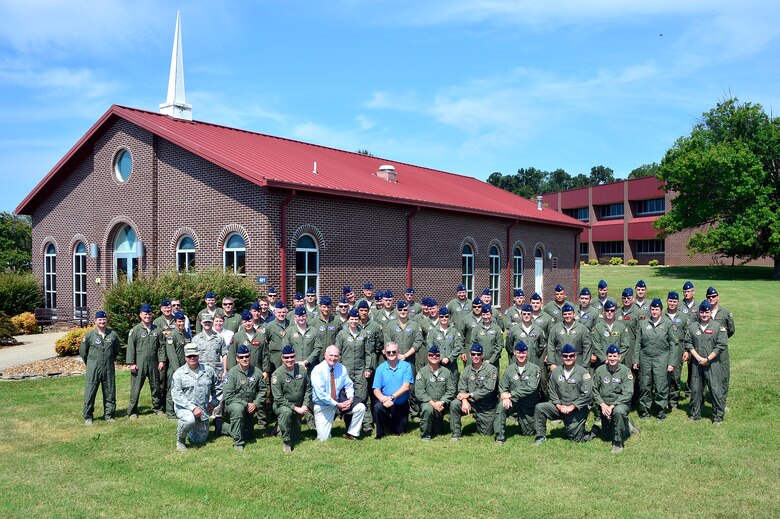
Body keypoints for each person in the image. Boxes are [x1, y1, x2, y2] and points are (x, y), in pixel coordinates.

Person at [533, 344, 593, 445]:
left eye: (571, 356)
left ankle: (594, 430)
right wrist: (558, 405)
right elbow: (551, 390)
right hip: (559, 407)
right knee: (540, 407)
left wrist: (572, 406)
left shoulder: (583, 372)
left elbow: (587, 394)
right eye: (565, 356)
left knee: (576, 439)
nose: (568, 358)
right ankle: (540, 436)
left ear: (575, 357)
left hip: (576, 409)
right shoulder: (556, 372)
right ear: (561, 357)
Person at [633, 298, 678, 421]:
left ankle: (660, 411)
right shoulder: (643, 324)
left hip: (661, 358)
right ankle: (645, 412)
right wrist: (636, 360)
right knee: (645, 385)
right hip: (645, 358)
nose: (654, 312)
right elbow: (638, 343)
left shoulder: (668, 324)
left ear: (661, 311)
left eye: (656, 309)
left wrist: (671, 363)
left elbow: (674, 344)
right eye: (652, 309)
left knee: (661, 386)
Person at [171, 344, 221, 451]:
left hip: (203, 410)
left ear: (199, 356)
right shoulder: (179, 374)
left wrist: (214, 402)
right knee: (189, 420)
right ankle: (180, 440)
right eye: (189, 356)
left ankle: (190, 428)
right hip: (184, 408)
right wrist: (192, 408)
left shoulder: (208, 371)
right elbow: (176, 394)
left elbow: (218, 387)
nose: (192, 358)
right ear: (185, 357)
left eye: (194, 355)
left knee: (199, 440)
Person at [311, 345, 367, 441]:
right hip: (323, 405)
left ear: (339, 357)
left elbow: (348, 385)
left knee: (360, 407)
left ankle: (352, 434)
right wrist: (337, 404)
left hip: (339, 401)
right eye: (331, 355)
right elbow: (321, 394)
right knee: (323, 439)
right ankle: (324, 428)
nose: (333, 358)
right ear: (325, 355)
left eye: (336, 356)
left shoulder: (342, 368)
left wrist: (350, 399)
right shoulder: (318, 370)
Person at [685, 301, 728, 424]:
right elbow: (688, 343)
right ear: (699, 312)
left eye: (707, 312)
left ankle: (718, 417)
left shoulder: (718, 327)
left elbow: (721, 345)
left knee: (715, 389)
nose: (704, 314)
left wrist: (708, 359)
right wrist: (698, 358)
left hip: (713, 364)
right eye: (702, 312)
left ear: (710, 313)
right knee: (695, 389)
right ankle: (695, 414)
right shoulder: (693, 327)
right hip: (696, 363)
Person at [591, 344, 638, 453]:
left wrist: (611, 406)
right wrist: (602, 405)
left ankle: (618, 443)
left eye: (615, 356)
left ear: (619, 357)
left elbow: (628, 393)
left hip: (620, 404)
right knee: (606, 437)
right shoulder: (600, 370)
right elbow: (594, 390)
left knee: (618, 412)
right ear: (606, 357)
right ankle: (627, 426)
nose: (612, 359)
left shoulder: (625, 371)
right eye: (610, 356)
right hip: (604, 405)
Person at [494, 341, 541, 443]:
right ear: (515, 353)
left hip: (528, 403)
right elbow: (502, 386)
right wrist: (505, 396)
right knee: (501, 406)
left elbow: (531, 387)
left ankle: (524, 422)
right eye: (519, 352)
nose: (521, 355)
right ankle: (500, 437)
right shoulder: (509, 369)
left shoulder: (535, 369)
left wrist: (511, 394)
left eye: (523, 352)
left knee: (528, 433)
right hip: (513, 401)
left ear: (527, 353)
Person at [335, 308, 373, 434]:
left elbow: (368, 353)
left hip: (360, 370)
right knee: (347, 397)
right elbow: (337, 353)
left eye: (356, 319)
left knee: (362, 397)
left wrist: (368, 368)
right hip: (346, 370)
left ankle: (366, 424)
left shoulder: (363, 334)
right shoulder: (342, 334)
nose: (354, 321)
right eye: (352, 319)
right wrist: (338, 369)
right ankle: (349, 424)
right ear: (348, 319)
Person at [450, 344, 498, 441]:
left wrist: (469, 395)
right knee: (454, 404)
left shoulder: (491, 369)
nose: (476, 356)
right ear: (470, 355)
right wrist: (464, 400)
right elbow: (461, 388)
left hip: (486, 406)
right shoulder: (467, 370)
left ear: (482, 355)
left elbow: (489, 389)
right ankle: (456, 434)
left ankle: (480, 420)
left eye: (478, 354)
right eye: (473, 354)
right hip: (471, 403)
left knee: (486, 434)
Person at [80, 310, 121, 425]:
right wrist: (91, 362)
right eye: (100, 320)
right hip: (93, 367)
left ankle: (109, 415)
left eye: (104, 319)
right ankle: (88, 416)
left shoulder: (112, 334)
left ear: (106, 320)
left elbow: (116, 350)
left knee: (110, 391)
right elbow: (83, 352)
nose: (102, 321)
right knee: (90, 391)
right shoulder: (89, 335)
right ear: (95, 321)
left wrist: (109, 359)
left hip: (108, 367)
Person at [223, 345, 267, 450]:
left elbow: (263, 390)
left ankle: (221, 426)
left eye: (247, 356)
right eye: (241, 357)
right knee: (238, 410)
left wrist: (255, 404)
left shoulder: (257, 372)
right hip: (235, 405)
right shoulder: (231, 373)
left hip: (250, 407)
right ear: (237, 358)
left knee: (249, 435)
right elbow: (228, 396)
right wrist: (245, 404)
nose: (244, 359)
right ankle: (238, 443)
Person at [271, 345, 312, 452]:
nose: (289, 360)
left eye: (292, 357)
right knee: (286, 412)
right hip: (282, 405)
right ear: (282, 358)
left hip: (299, 405)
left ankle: (280, 428)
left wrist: (305, 404)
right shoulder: (277, 375)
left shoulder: (302, 370)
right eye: (286, 357)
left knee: (296, 436)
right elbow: (278, 398)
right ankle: (286, 442)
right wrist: (296, 408)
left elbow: (308, 388)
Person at [192, 311, 228, 433]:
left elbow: (224, 354)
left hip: (216, 370)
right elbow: (192, 357)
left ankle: (217, 418)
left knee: (218, 394)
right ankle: (203, 417)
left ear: (212, 323)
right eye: (205, 322)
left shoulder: (219, 338)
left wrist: (225, 370)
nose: (207, 324)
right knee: (203, 393)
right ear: (202, 323)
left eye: (209, 322)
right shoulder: (196, 339)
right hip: (201, 371)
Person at [127, 303, 164, 418]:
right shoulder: (135, 330)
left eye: (149, 314)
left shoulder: (157, 330)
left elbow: (161, 346)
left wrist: (162, 360)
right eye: (145, 314)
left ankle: (157, 408)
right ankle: (132, 411)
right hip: (139, 363)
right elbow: (131, 347)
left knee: (155, 386)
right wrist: (131, 363)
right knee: (136, 388)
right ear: (140, 315)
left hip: (154, 362)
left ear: (152, 315)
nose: (147, 316)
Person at [372, 342, 414, 439]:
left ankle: (391, 423)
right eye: (388, 352)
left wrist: (391, 397)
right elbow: (376, 389)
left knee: (399, 432)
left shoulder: (406, 366)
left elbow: (406, 387)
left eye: (394, 352)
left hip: (400, 404)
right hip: (385, 403)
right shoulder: (380, 368)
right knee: (377, 407)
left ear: (398, 352)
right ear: (385, 353)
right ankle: (379, 434)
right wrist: (383, 399)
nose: (391, 354)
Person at [414, 345, 456, 440]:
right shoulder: (422, 372)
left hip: (442, 404)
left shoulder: (446, 372)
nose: (434, 357)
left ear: (439, 356)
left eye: (437, 355)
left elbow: (451, 390)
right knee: (427, 408)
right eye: (431, 355)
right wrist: (433, 403)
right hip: (428, 403)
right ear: (428, 356)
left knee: (438, 431)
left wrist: (441, 402)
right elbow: (419, 392)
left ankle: (452, 431)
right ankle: (425, 436)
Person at [706, 286, 734, 407]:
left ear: (718, 297)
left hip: (721, 351)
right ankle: (706, 399)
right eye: (709, 297)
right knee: (707, 376)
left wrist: (720, 341)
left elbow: (731, 330)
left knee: (723, 375)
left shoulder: (725, 313)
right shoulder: (703, 312)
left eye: (713, 296)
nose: (711, 298)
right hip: (707, 349)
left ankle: (722, 402)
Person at [160, 310, 191, 419]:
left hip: (186, 367)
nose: (181, 323)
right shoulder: (171, 336)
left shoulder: (187, 335)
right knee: (172, 390)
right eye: (179, 321)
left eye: (182, 321)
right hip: (175, 368)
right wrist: (178, 370)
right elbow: (171, 355)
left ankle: (182, 410)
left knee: (185, 390)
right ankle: (171, 413)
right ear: (175, 322)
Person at [546, 303, 592, 371]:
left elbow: (587, 347)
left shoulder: (581, 328)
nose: (567, 316)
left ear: (574, 314)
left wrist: (585, 365)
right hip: (559, 364)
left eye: (569, 314)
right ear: (562, 315)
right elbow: (551, 345)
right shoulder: (556, 328)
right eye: (565, 314)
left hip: (578, 364)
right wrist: (551, 363)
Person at [664, 291, 690, 409]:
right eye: (670, 301)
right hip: (664, 350)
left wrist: (686, 350)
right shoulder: (661, 315)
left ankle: (673, 401)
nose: (672, 303)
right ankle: (663, 400)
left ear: (678, 302)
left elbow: (687, 335)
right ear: (667, 301)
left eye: (674, 301)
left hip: (678, 349)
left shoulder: (683, 317)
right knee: (663, 377)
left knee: (675, 376)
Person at [426, 307, 464, 378]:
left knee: (452, 387)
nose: (444, 318)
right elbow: (429, 346)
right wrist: (441, 358)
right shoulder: (433, 332)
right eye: (442, 316)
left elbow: (458, 346)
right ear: (439, 317)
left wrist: (449, 358)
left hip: (452, 366)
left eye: (446, 316)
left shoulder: (454, 331)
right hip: (437, 365)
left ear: (449, 317)